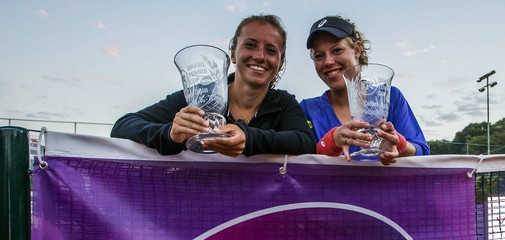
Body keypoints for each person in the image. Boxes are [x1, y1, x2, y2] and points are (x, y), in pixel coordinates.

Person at [111, 14, 315, 157]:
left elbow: (304, 142)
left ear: (280, 62)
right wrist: (171, 134)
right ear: (233, 52)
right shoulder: (199, 96)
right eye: (250, 45)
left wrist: (249, 138)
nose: (260, 56)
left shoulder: (283, 103)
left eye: (271, 50)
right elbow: (123, 126)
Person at [300, 15, 430, 165]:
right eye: (319, 56)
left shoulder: (391, 97)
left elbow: (422, 152)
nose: (328, 61)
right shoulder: (308, 109)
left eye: (337, 50)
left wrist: (399, 144)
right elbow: (298, 164)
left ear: (356, 49)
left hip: (384, 188)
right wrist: (331, 142)